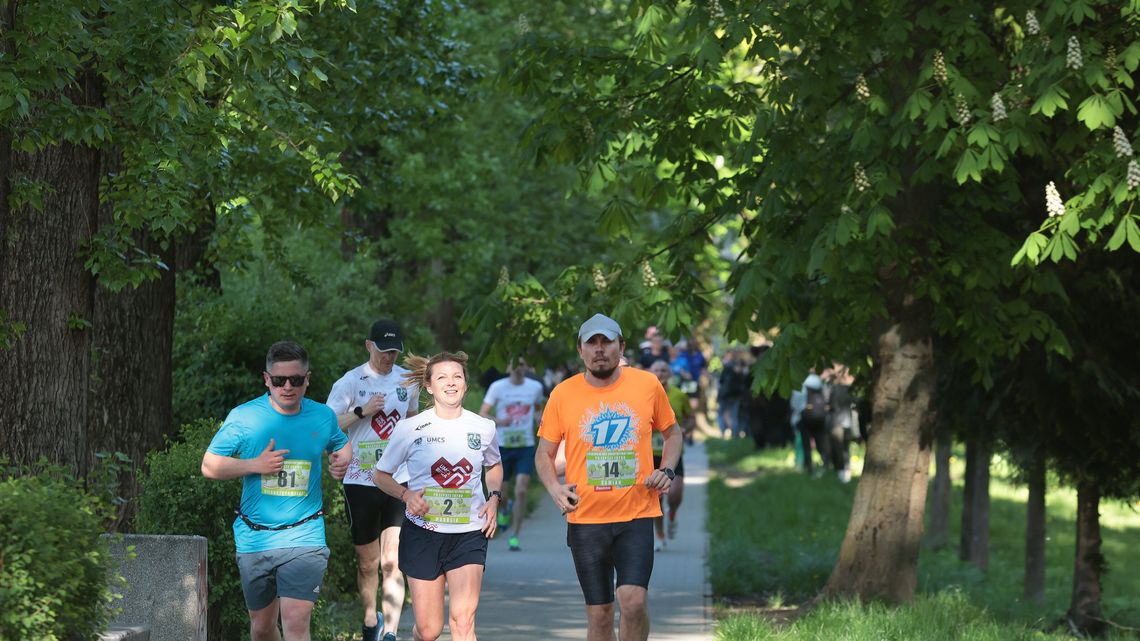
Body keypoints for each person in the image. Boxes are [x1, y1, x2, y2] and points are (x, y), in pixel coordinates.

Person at [536, 313, 682, 641]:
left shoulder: (647, 384)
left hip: (637, 513)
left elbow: (673, 433)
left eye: (607, 342)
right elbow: (543, 455)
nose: (600, 349)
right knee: (601, 615)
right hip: (586, 519)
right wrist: (555, 490)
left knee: (632, 601)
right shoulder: (563, 394)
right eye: (592, 343)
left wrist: (667, 470)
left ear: (621, 347)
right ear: (581, 350)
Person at [201, 341, 352, 641]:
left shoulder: (322, 416)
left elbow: (340, 442)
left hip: (304, 535)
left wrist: (344, 458)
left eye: (296, 380)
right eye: (279, 380)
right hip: (255, 537)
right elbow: (209, 465)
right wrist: (254, 464)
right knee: (262, 627)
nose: (287, 387)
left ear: (307, 379)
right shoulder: (245, 418)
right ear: (266, 379)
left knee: (296, 622)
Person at [372, 351, 503, 641]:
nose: (451, 383)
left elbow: (494, 464)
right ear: (429, 386)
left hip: (469, 532)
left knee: (463, 621)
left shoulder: (483, 428)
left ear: (466, 384)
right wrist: (406, 495)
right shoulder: (409, 428)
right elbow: (380, 475)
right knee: (429, 630)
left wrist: (494, 497)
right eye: (442, 377)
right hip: (423, 533)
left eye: (457, 377)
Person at [326, 320, 421, 641]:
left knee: (392, 561)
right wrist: (361, 411)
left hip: (398, 480)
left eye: (394, 351)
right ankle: (370, 623)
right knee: (368, 563)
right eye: (383, 350)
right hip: (360, 480)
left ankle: (391, 632)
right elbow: (330, 426)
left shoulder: (407, 381)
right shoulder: (350, 382)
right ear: (369, 346)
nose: (389, 357)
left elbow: (411, 426)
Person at [479, 356, 545, 551]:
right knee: (504, 491)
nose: (517, 368)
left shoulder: (535, 387)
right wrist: (500, 421)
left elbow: (537, 410)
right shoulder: (497, 387)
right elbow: (483, 413)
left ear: (527, 368)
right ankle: (505, 510)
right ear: (508, 366)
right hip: (502, 446)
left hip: (525, 445)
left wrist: (539, 417)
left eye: (522, 364)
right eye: (514, 364)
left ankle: (515, 535)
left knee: (522, 489)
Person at [648, 359, 692, 550]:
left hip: (672, 453)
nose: (660, 373)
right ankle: (659, 535)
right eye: (656, 369)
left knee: (674, 494)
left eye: (664, 370)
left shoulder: (679, 396)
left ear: (670, 374)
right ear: (650, 372)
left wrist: (685, 429)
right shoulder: (643, 395)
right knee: (656, 497)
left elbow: (691, 418)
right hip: (650, 454)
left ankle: (672, 513)